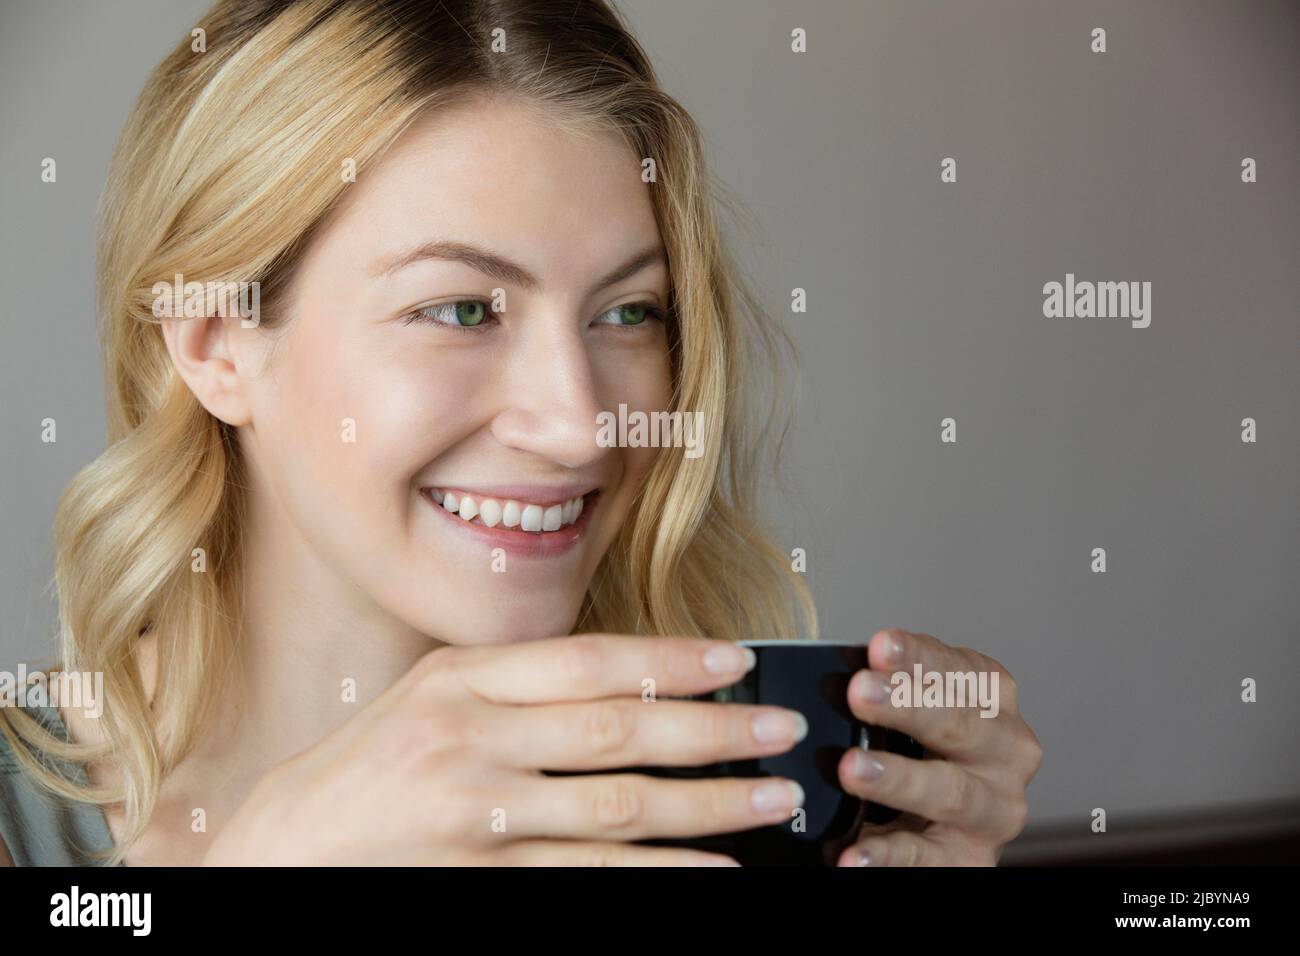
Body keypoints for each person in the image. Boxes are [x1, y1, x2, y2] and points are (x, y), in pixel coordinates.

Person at [0, 0, 1040, 867]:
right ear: (219, 342)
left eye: (629, 312)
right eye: (462, 309)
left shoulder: (704, 803)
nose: (582, 424)